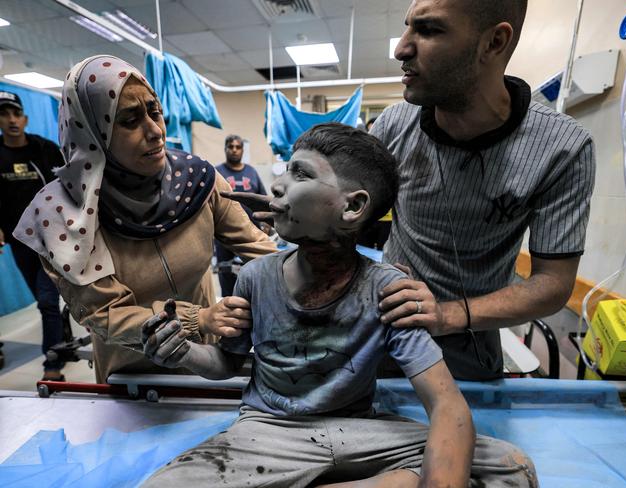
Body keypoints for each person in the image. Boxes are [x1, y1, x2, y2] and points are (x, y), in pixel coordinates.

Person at [141, 123, 537, 487]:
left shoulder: (389, 289)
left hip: (361, 431)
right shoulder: (255, 278)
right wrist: (184, 351)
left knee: (510, 468)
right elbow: (227, 363)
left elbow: (447, 404)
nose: (278, 185)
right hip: (269, 430)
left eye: (301, 174)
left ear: (352, 207)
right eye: (284, 171)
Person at [223, 0, 596, 383]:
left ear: (494, 42)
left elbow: (552, 284)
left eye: (430, 30)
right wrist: (302, 214)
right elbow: (348, 213)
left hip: (468, 344)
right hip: (377, 328)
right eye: (407, 28)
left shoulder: (562, 149)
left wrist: (449, 315)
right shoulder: (394, 126)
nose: (402, 48)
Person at [12, 55, 276, 383]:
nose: (155, 131)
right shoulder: (63, 215)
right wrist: (199, 319)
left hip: (208, 365)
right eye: (129, 120)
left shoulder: (198, 182)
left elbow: (262, 251)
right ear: (95, 132)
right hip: (132, 376)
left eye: (154, 112)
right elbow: (107, 314)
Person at [0, 90, 67, 380]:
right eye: (4, 114)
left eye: (16, 114)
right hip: (19, 242)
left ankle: (53, 364)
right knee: (45, 300)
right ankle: (61, 335)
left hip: (50, 240)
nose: (12, 120)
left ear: (25, 118)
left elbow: (68, 187)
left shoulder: (45, 149)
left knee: (46, 300)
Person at [214, 134, 267, 296]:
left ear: (243, 150)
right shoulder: (217, 172)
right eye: (231, 147)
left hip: (251, 233)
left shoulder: (251, 172)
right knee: (227, 274)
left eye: (238, 147)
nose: (235, 150)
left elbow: (263, 199)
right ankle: (228, 307)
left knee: (255, 273)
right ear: (225, 149)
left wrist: (266, 226)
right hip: (224, 235)